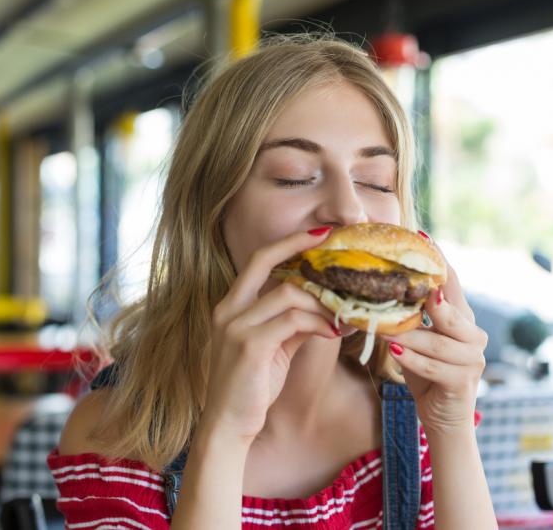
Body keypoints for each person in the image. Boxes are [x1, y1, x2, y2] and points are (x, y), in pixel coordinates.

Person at [49, 33, 496, 529]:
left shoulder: (419, 416)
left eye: (375, 182)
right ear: (211, 211)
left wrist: (451, 429)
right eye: (294, 175)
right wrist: (224, 434)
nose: (349, 209)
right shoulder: (114, 434)